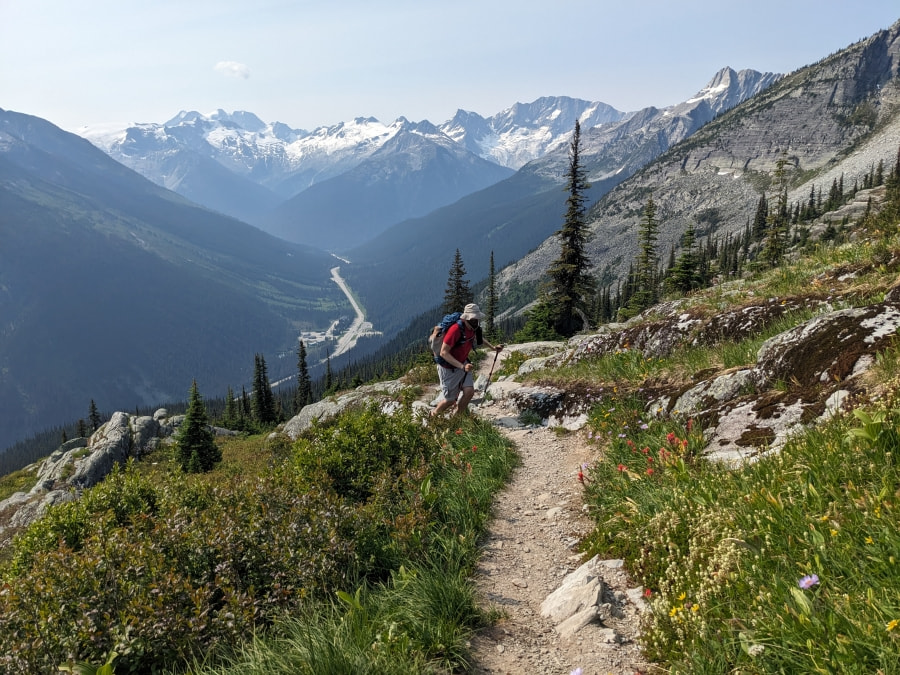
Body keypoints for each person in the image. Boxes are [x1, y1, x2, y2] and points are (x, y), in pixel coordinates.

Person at [432, 303, 503, 417]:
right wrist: (462, 367)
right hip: (449, 368)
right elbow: (443, 352)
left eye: (477, 319)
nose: (475, 321)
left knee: (469, 392)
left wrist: (493, 348)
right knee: (450, 400)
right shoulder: (455, 330)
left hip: (463, 363)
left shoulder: (473, 328)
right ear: (465, 318)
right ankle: (433, 415)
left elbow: (478, 338)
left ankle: (457, 418)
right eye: (473, 319)